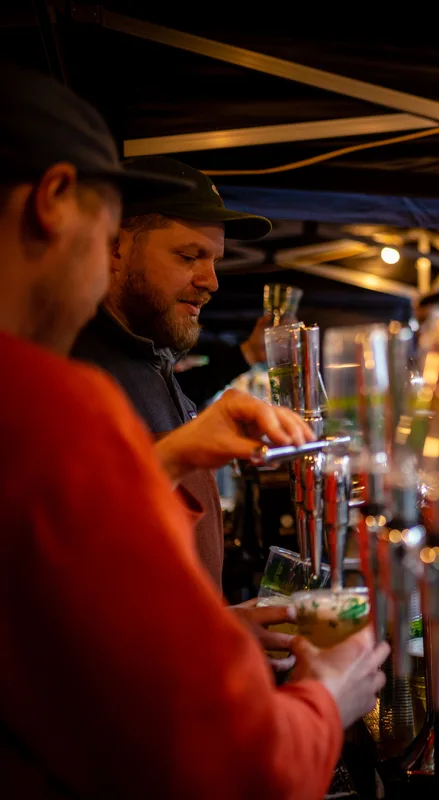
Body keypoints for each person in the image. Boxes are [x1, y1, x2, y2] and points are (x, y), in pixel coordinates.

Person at [0, 66, 388, 798]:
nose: (212, 279)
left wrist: (211, 621)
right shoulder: (56, 402)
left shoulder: (105, 385)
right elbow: (229, 766)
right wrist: (326, 700)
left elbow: (71, 611)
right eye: (188, 255)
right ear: (59, 204)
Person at [70, 156, 274, 587]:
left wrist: (224, 624)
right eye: (189, 256)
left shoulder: (150, 361)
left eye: (214, 260)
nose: (212, 281)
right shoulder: (73, 375)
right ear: (114, 247)